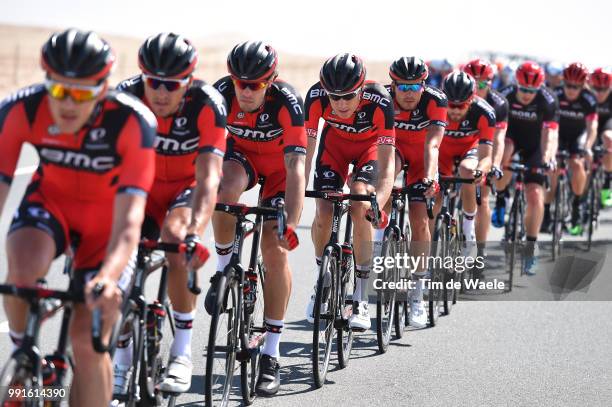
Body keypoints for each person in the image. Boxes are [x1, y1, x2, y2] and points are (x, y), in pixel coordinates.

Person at [0, 29, 156, 407]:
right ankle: (25, 359)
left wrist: (107, 276)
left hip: (108, 227)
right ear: (46, 81)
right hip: (50, 206)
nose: (68, 104)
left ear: (103, 88)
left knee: (86, 343)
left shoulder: (133, 121)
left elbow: (131, 220)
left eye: (83, 93)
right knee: (20, 271)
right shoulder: (22, 108)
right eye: (59, 90)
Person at [114, 32, 226, 394]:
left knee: (176, 242)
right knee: (116, 265)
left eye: (171, 85)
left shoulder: (207, 104)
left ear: (189, 80)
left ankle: (181, 354)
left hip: (184, 189)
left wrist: (195, 231)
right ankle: (122, 361)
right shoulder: (124, 97)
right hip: (139, 190)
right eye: (153, 83)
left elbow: (210, 178)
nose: (161, 93)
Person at [210, 41, 305, 396]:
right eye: (240, 83)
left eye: (256, 85)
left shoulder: (287, 102)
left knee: (274, 248)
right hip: (242, 159)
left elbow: (297, 167)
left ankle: (271, 353)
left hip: (280, 170)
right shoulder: (220, 94)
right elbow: (206, 153)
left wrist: (290, 224)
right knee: (223, 191)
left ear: (271, 81)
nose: (247, 91)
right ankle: (223, 268)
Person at [304, 53, 395, 332]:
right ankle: (323, 276)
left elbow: (388, 163)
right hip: (334, 149)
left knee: (359, 203)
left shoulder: (380, 100)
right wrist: (296, 189)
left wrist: (377, 201)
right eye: (335, 97)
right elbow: (306, 152)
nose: (341, 103)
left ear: (361, 89)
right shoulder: (315, 96)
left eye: (348, 96)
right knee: (323, 209)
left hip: (370, 150)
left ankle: (360, 296)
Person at [385, 56, 447, 328]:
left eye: (415, 87)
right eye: (403, 87)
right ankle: (378, 244)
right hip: (394, 151)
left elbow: (433, 145)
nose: (409, 93)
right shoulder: (383, 98)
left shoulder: (436, 100)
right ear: (393, 84)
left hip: (423, 157)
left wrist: (431, 176)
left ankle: (417, 294)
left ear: (424, 84)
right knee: (382, 181)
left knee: (421, 223)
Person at [494, 61, 559, 275]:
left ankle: (531, 247)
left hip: (535, 147)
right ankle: (501, 197)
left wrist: (548, 157)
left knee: (535, 196)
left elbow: (550, 134)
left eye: (532, 91)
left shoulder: (548, 100)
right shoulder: (505, 94)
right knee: (505, 154)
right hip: (510, 140)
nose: (526, 95)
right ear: (516, 84)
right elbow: (497, 132)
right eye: (523, 89)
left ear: (539, 87)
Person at [439, 71, 495, 257]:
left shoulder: (485, 112)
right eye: (451, 105)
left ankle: (468, 228)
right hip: (442, 152)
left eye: (460, 106)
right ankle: (428, 255)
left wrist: (480, 170)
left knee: (467, 170)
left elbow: (487, 157)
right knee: (433, 200)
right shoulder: (435, 106)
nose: (455, 110)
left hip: (469, 150)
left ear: (471, 100)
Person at [463, 59, 509, 258]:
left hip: (482, 150)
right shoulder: (455, 95)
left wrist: (495, 164)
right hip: (458, 147)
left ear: (491, 83)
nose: (477, 87)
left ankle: (480, 252)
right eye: (473, 82)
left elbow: (498, 139)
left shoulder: (499, 104)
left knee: (482, 199)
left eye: (482, 84)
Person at [546, 62, 598, 236]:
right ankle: (546, 210)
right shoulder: (556, 95)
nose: (571, 90)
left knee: (576, 163)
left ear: (582, 85)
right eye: (568, 85)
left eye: (575, 86)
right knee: (553, 167)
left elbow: (592, 127)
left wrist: (588, 148)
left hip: (578, 136)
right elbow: (548, 124)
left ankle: (576, 205)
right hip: (559, 135)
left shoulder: (589, 99)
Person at [589, 67, 612, 207]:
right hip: (590, 123)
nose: (599, 93)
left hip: (607, 123)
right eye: (596, 89)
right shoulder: (586, 94)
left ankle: (607, 181)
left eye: (604, 90)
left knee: (609, 138)